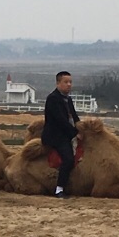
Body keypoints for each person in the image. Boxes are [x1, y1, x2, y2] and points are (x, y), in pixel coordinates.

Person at [42, 70, 80, 198]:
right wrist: (75, 133)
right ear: (58, 83)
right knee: (68, 159)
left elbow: (74, 117)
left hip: (66, 133)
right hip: (56, 136)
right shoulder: (53, 99)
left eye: (70, 82)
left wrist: (82, 129)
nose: (69, 85)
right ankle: (59, 188)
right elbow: (61, 121)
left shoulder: (68, 99)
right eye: (66, 82)